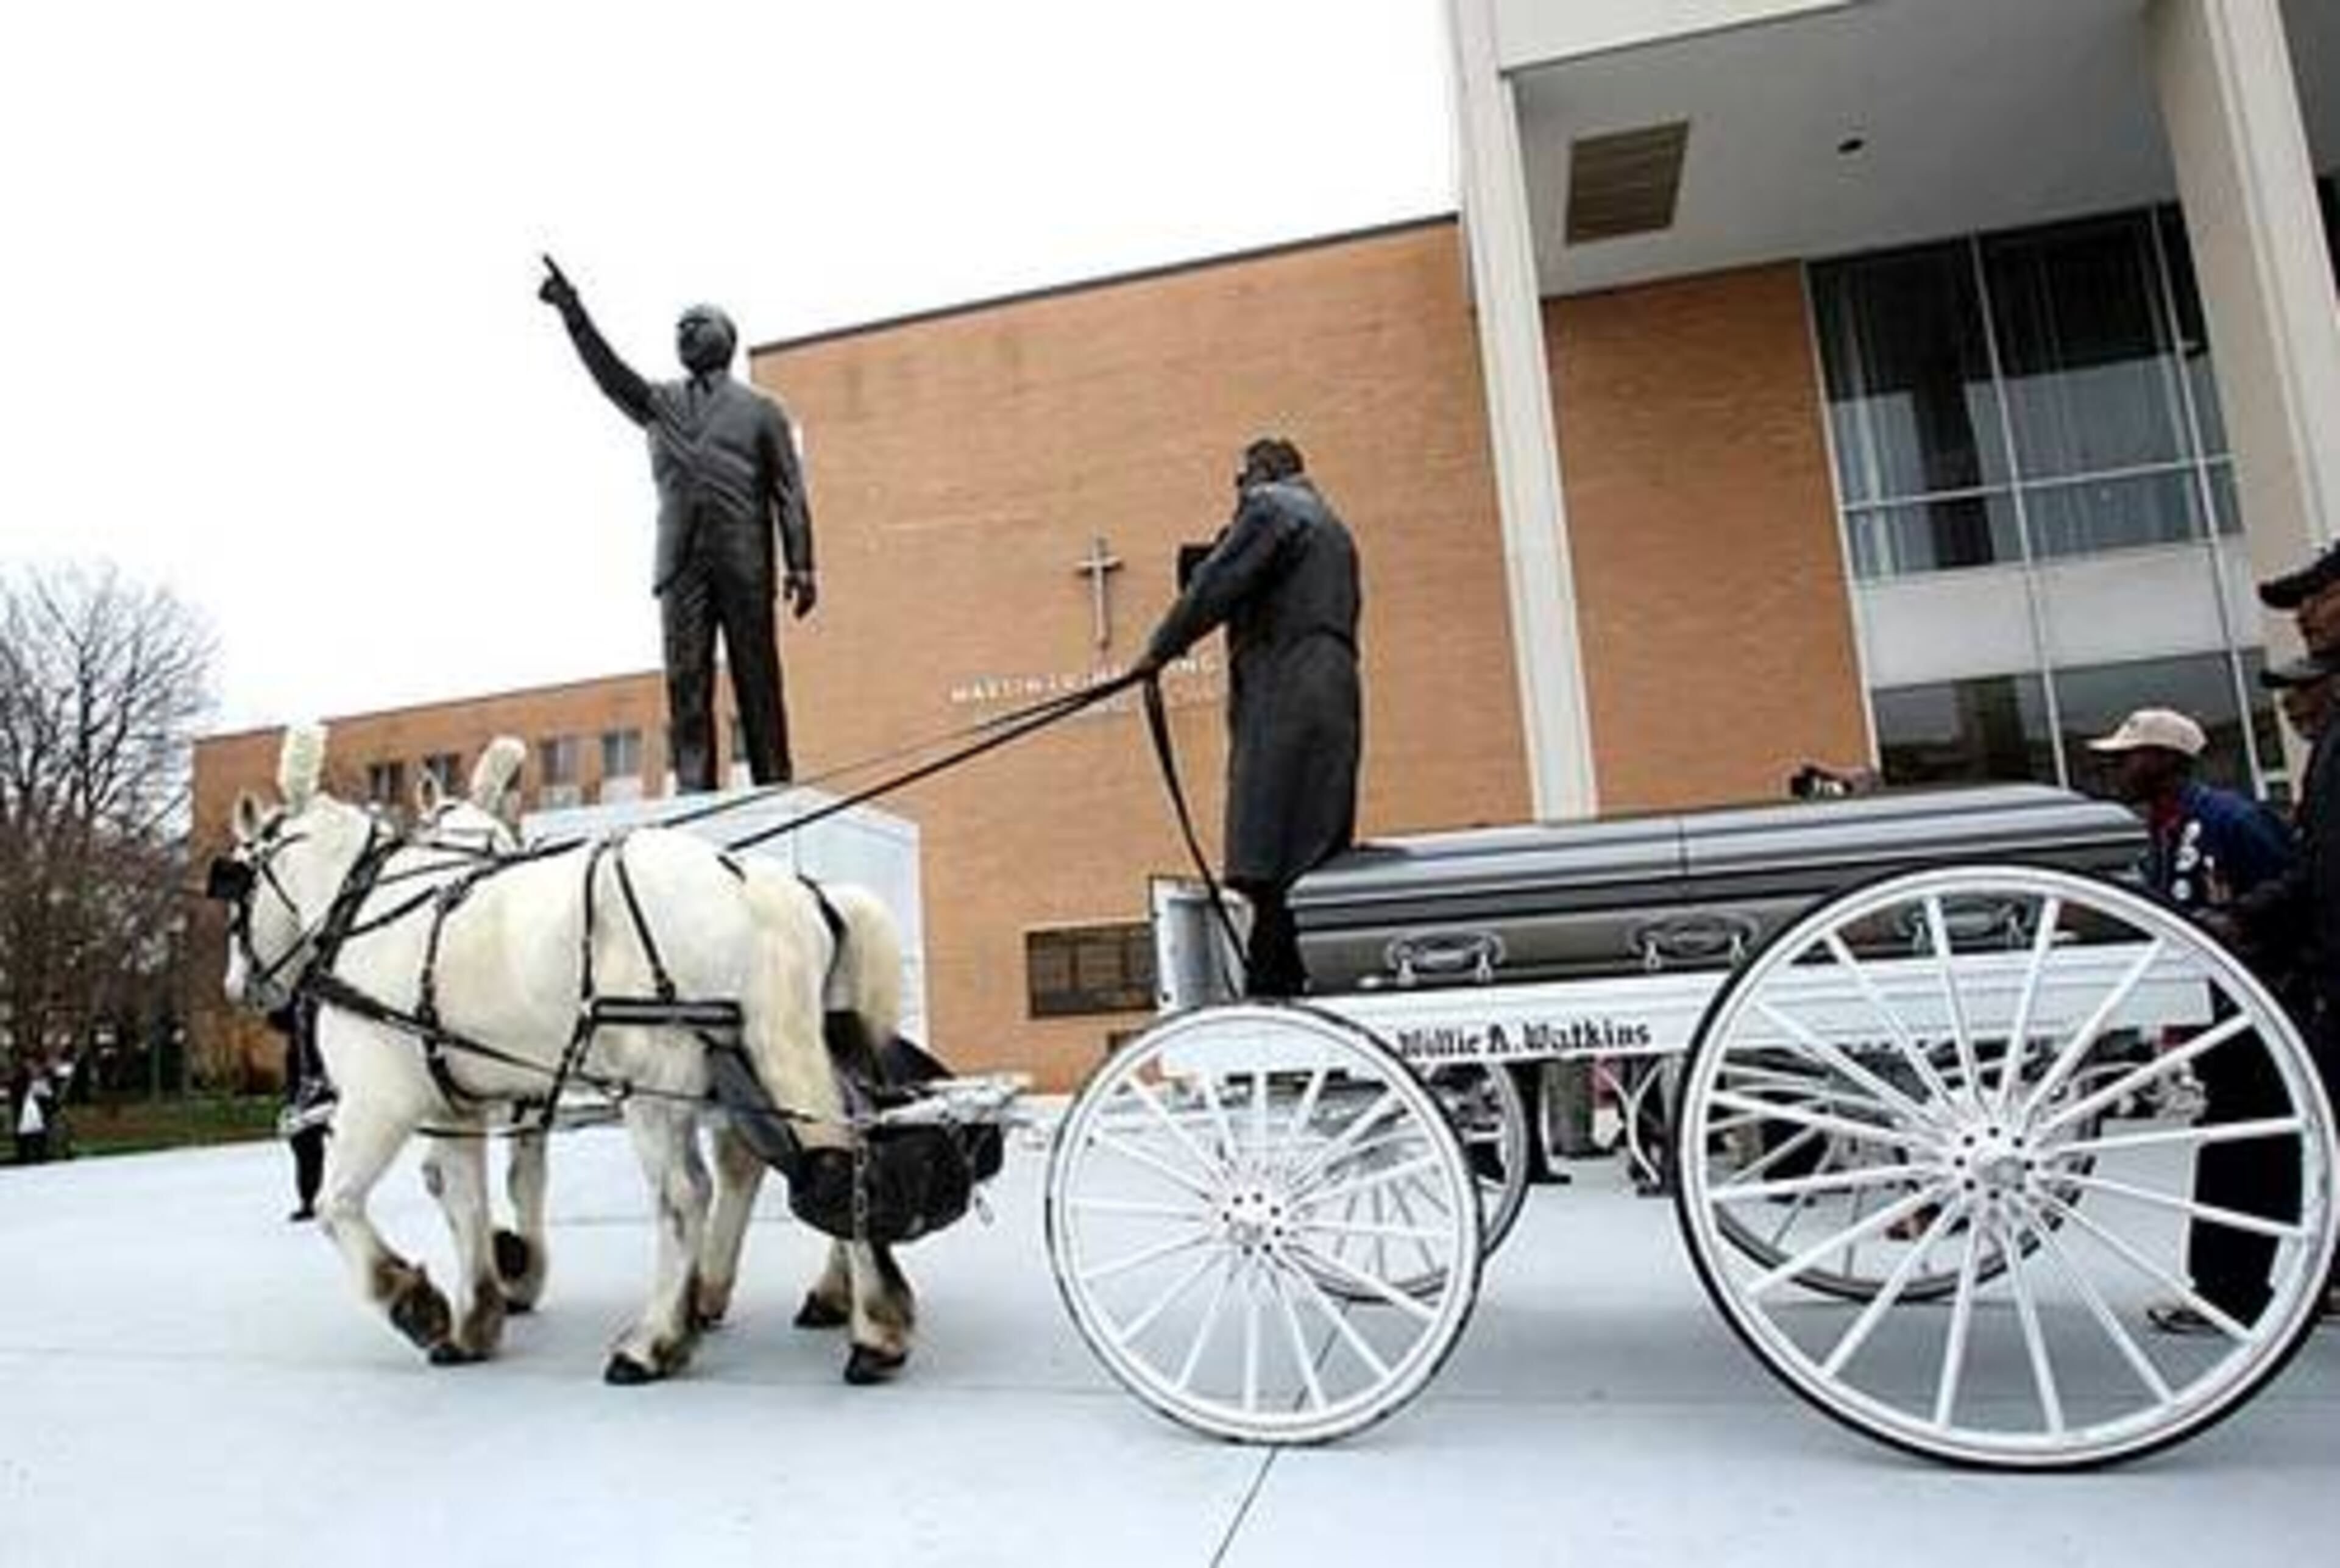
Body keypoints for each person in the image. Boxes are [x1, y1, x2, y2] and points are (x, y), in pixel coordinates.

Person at [539, 257, 816, 791]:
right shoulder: (659, 403)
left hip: (744, 558)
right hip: (681, 561)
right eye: (679, 327)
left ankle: (773, 778)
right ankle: (693, 786)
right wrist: (573, 313)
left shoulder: (763, 410)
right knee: (685, 679)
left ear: (726, 339)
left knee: (756, 674)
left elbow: (790, 490)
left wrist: (802, 563)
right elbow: (609, 375)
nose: (684, 331)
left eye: (697, 323)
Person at [2085, 708, 2299, 1333]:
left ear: (2168, 760)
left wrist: (2238, 925)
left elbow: (2294, 894)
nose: (2117, 766)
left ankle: (2234, 1290)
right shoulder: (2164, 829)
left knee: (2251, 1149)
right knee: (2238, 1145)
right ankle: (2227, 1285)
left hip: (2258, 1012)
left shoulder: (2232, 819)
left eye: (2130, 756)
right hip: (2218, 1012)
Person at [1137, 437, 1361, 998]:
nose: (1237, 496)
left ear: (1258, 474)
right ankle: (1286, 976)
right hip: (1329, 695)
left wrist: (1159, 650)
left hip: (1286, 694)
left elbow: (1216, 584)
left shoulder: (1274, 508)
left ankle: (1273, 991)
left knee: (1275, 855)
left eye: (1238, 483)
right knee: (1307, 850)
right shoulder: (1331, 528)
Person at [2224, 645, 2340, 1328]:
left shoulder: (2236, 817)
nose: (2292, 704)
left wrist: (2245, 919)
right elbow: (2310, 869)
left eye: (2306, 689)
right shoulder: (2325, 755)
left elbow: (2306, 873)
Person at [272, 1004, 330, 1222]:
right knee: (302, 1140)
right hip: (302, 1081)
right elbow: (279, 1021)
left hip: (332, 1075)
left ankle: (340, 1194)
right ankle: (310, 1199)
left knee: (344, 1137)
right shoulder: (297, 998)